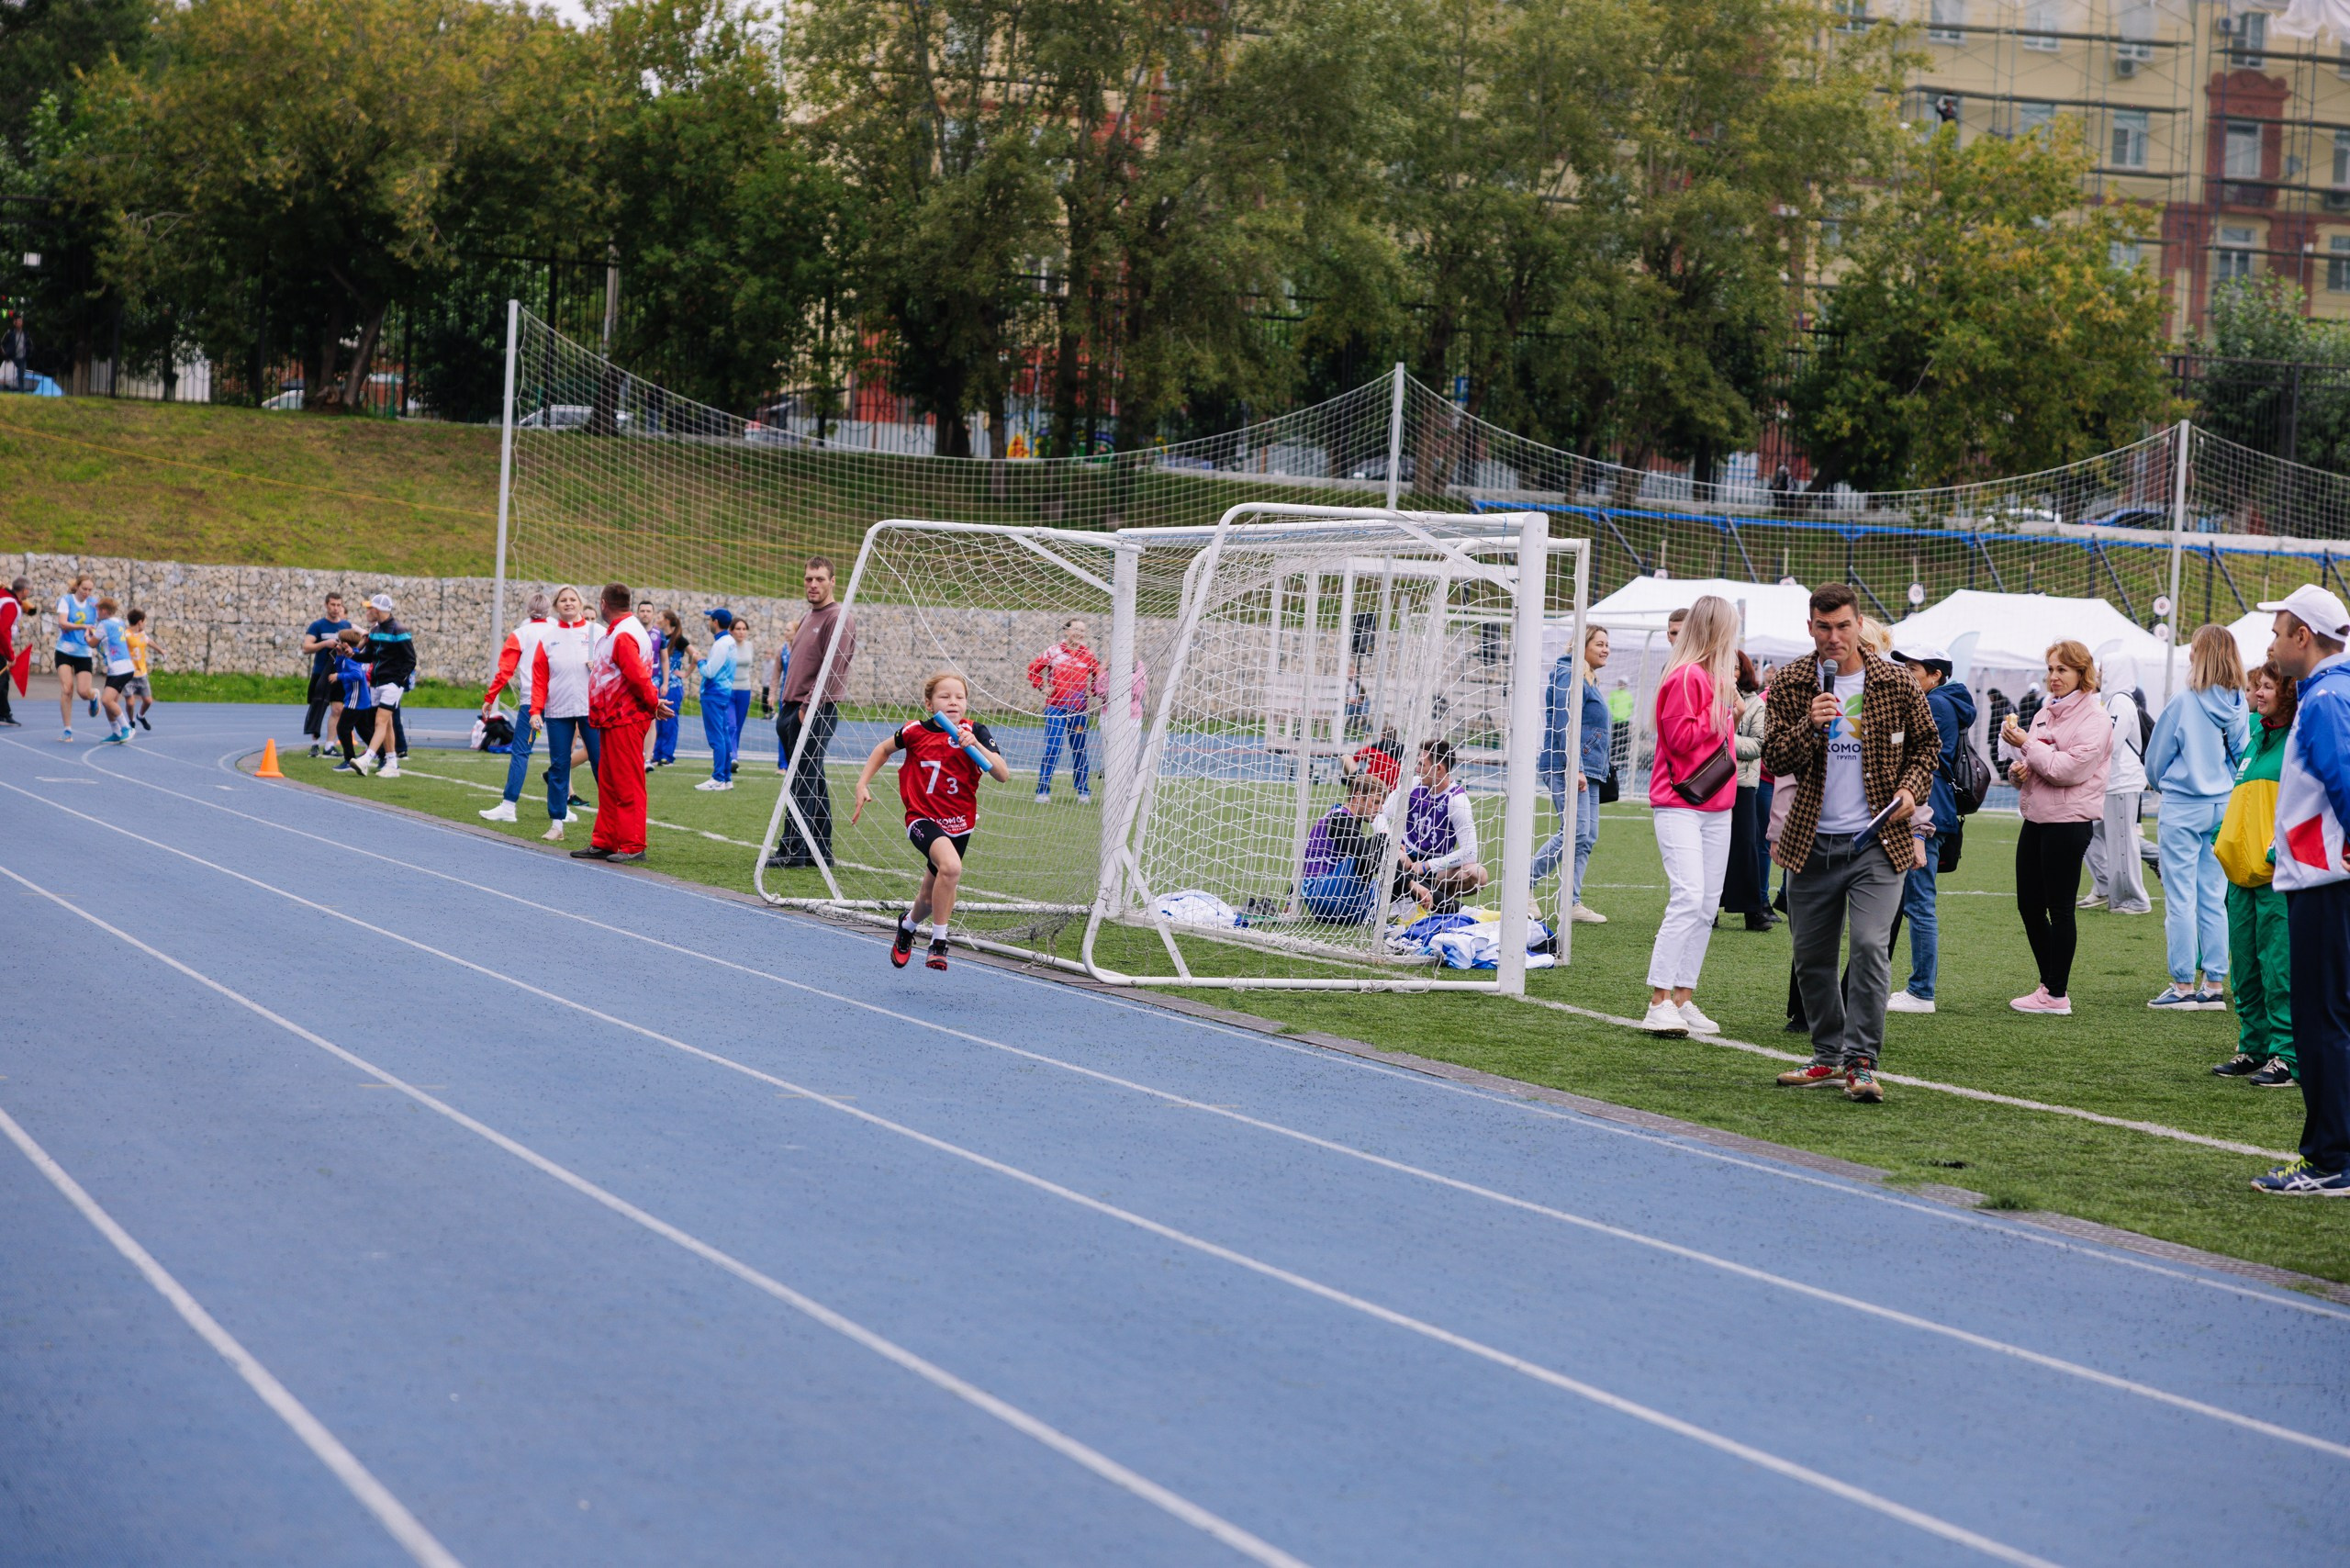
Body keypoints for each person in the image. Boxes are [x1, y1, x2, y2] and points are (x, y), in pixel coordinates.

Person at [1761, 583, 1939, 1101]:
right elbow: (1774, 758)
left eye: (1843, 626)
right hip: (1810, 842)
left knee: (1867, 947)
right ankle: (1827, 1055)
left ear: (1860, 624)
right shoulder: (1793, 680)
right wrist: (1809, 728)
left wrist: (1911, 789)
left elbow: (1927, 745)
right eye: (1824, 627)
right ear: (1810, 626)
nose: (1834, 637)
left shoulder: (1894, 680)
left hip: (1878, 841)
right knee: (1810, 957)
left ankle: (1861, 1061)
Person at [2250, 585, 2350, 1195]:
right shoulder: (2331, 693)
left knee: (2321, 1021)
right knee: (2328, 1018)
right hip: (2325, 879)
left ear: (2303, 638)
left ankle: (2330, 1159)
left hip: (2325, 883)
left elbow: (2344, 780)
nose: (2272, 643)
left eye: (2278, 631)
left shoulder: (2326, 699)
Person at [848, 670, 1010, 970]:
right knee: (951, 867)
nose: (953, 702)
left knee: (929, 893)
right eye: (944, 696)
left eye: (959, 697)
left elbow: (1002, 774)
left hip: (960, 823)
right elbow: (883, 749)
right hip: (922, 818)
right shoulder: (914, 731)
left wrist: (975, 745)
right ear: (929, 703)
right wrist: (862, 784)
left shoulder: (975, 732)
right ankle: (939, 942)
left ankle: (907, 927)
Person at [1640, 595, 1740, 1036]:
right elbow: (1680, 739)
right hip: (1681, 799)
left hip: (1716, 802)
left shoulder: (1709, 677)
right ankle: (1658, 1000)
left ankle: (1682, 998)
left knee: (1703, 904)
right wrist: (1723, 710)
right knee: (1688, 896)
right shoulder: (1686, 676)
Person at [2000, 640, 2114, 1016]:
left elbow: (2068, 771)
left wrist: (2028, 745)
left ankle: (2056, 993)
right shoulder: (2046, 712)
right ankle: (2050, 984)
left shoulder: (2096, 718)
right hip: (2036, 818)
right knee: (2028, 905)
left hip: (2069, 822)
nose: (2053, 677)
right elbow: (2037, 765)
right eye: (2050, 669)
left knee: (2060, 908)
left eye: (2062, 670)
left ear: (2083, 674)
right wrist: (2020, 771)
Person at [2143, 624, 2249, 1009]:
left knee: (2181, 898)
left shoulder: (2184, 701)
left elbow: (2155, 760)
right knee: (2213, 897)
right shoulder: (2239, 701)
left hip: (2184, 807)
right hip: (2223, 805)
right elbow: (2243, 754)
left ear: (2198, 654)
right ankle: (2215, 985)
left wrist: (2160, 783)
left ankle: (2184, 985)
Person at [2212, 659, 2298, 1088]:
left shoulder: (2299, 742)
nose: (2257, 694)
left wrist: (2276, 850)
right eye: (2255, 688)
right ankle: (2254, 1046)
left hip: (2277, 875)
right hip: (2241, 876)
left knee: (2278, 969)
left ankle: (2287, 1056)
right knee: (2244, 968)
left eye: (2266, 687)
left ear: (2288, 692)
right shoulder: (2255, 739)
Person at [1885, 640, 1975, 1013]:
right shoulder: (1944, 701)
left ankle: (1922, 991)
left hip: (1927, 812)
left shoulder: (1935, 703)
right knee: (1911, 902)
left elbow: (1924, 763)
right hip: (1930, 809)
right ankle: (1915, 986)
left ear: (1935, 675)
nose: (1906, 675)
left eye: (1913, 670)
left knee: (1919, 904)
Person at [572, 583, 669, 866]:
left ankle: (632, 843)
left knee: (627, 783)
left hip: (625, 717)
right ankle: (605, 841)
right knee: (610, 781)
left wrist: (654, 703)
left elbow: (637, 676)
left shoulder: (624, 634)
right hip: (614, 718)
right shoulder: (620, 631)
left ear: (603, 603)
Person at [770, 558, 856, 867]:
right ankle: (820, 850)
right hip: (793, 707)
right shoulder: (810, 616)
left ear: (833, 581)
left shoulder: (838, 618)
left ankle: (792, 851)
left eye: (819, 579)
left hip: (814, 709)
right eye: (808, 579)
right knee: (813, 779)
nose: (813, 585)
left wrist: (806, 707)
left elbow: (832, 670)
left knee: (801, 780)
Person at [1531, 625, 1613, 925]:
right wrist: (1575, 765)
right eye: (1600, 644)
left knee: (1587, 835)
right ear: (1582, 646)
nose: (1606, 649)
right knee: (1575, 831)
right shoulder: (1569, 675)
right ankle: (1525, 884)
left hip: (1588, 770)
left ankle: (1571, 902)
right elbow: (1567, 722)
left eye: (1607, 645)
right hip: (1566, 766)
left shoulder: (1590, 678)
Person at [1380, 738, 1488, 913]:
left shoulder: (1457, 800)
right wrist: (1393, 844)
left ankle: (1436, 902)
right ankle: (1403, 900)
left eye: (1422, 764)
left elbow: (1470, 852)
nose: (1416, 769)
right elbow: (1379, 813)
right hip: (1405, 861)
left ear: (1438, 769)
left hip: (1435, 869)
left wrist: (1427, 865)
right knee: (1395, 855)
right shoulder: (1413, 785)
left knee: (1478, 874)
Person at [477, 591, 556, 827]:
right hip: (561, 699)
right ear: (550, 610)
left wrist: (490, 698)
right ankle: (562, 809)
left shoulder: (520, 634)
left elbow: (505, 671)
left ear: (527, 611)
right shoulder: (559, 631)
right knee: (561, 754)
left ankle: (509, 806)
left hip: (532, 700)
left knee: (521, 752)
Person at [2082, 679, 2153, 914]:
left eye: (2103, 670)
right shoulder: (2110, 700)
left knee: (2122, 838)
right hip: (2110, 781)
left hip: (2121, 781)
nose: (2099, 675)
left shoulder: (2120, 701)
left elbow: (2108, 743)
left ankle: (2134, 899)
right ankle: (2104, 886)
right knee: (2087, 831)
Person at [1720, 651, 1773, 931]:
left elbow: (1757, 746)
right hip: (1710, 783)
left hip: (1742, 784)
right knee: (1711, 847)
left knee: (1746, 845)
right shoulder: (1706, 697)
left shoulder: (1755, 704)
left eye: (1736, 668)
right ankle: (1710, 909)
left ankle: (1752, 911)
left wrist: (1725, 736)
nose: (1731, 672)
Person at [1302, 773, 1394, 923]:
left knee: (1384, 852)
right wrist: (1412, 884)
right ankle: (1425, 902)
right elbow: (1368, 857)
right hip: (1326, 894)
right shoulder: (1340, 819)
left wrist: (1290, 900)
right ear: (1358, 796)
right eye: (1375, 802)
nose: (1380, 809)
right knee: (1382, 841)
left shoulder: (1339, 816)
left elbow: (1303, 863)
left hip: (1319, 899)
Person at [1029, 618, 1103, 804]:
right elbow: (1033, 669)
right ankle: (1042, 791)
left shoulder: (1088, 655)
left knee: (1079, 750)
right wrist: (1042, 686)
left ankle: (1083, 792)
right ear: (1066, 631)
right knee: (1052, 748)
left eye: (1082, 630)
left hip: (1079, 711)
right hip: (1055, 709)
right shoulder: (1053, 651)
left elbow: (1100, 677)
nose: (1079, 633)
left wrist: (1092, 690)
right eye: (1075, 629)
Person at [350, 593, 414, 778]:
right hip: (377, 683)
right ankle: (392, 763)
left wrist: (398, 682)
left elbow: (410, 660)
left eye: (369, 608)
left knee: (380, 721)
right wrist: (351, 654)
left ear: (377, 610)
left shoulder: (399, 630)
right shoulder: (376, 631)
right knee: (386, 724)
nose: (367, 612)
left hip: (391, 684)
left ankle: (366, 759)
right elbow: (369, 656)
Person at [300, 593, 352, 755]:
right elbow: (306, 647)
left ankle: (329, 745)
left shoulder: (346, 625)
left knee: (338, 709)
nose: (336, 608)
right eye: (333, 605)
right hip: (320, 672)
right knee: (318, 707)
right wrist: (325, 644)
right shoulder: (317, 626)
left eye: (339, 605)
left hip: (338, 673)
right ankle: (314, 744)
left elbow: (354, 646)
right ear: (326, 605)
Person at [697, 608, 740, 791]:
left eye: (710, 619)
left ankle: (718, 778)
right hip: (723, 693)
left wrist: (699, 660)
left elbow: (709, 671)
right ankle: (726, 778)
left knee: (717, 738)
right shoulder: (730, 642)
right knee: (723, 736)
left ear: (715, 622)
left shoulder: (721, 644)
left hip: (714, 694)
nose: (708, 622)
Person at [53, 572, 96, 741]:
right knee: (67, 689)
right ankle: (67, 730)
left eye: (90, 590)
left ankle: (94, 696)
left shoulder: (94, 604)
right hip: (64, 650)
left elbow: (104, 618)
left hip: (83, 652)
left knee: (84, 692)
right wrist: (82, 626)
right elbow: (62, 622)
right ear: (77, 587)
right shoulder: (67, 600)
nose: (86, 592)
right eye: (84, 588)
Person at [91, 599, 136, 744]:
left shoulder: (103, 624)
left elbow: (92, 643)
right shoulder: (120, 622)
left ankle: (126, 728)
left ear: (104, 611)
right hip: (120, 668)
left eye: (98, 610)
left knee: (106, 700)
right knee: (110, 702)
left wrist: (87, 635)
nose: (97, 613)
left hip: (120, 669)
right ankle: (116, 732)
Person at [330, 629, 376, 769]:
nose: (337, 644)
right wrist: (338, 656)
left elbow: (356, 675)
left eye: (339, 641)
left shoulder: (351, 658)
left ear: (345, 643)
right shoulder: (351, 655)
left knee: (343, 729)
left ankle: (349, 759)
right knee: (363, 730)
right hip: (360, 699)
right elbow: (342, 668)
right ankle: (381, 753)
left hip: (356, 700)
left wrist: (339, 677)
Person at [651, 610, 688, 767]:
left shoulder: (679, 640)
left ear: (667, 621)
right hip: (659, 683)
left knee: (670, 720)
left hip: (672, 685)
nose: (657, 620)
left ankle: (667, 754)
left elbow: (696, 655)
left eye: (660, 617)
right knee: (657, 720)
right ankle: (657, 753)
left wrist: (686, 673)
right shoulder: (660, 638)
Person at [1341, 722, 1404, 790]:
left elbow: (1355, 757)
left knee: (1345, 757)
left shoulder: (1375, 748)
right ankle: (1355, 780)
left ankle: (1355, 779)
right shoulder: (1402, 750)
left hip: (1372, 782)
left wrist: (1366, 759)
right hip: (1392, 788)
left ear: (1382, 735)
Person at [122, 609, 157, 730]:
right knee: (130, 703)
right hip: (128, 675)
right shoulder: (126, 635)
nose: (145, 624)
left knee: (148, 701)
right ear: (140, 622)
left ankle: (140, 716)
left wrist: (161, 650)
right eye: (145, 622)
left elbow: (149, 641)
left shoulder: (142, 634)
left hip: (142, 674)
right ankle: (131, 720)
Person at [0, 577, 25, 728]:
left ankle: (4, 712)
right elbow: (2, 631)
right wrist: (10, 655)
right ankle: (3, 713)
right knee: (2, 682)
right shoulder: (10, 604)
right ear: (24, 590)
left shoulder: (4, 598)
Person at [731, 614, 756, 748]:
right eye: (738, 629)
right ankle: (730, 755)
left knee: (739, 725)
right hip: (729, 690)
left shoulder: (749, 646)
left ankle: (734, 755)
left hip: (745, 690)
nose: (741, 632)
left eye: (744, 629)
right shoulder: (727, 646)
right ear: (731, 631)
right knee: (731, 725)